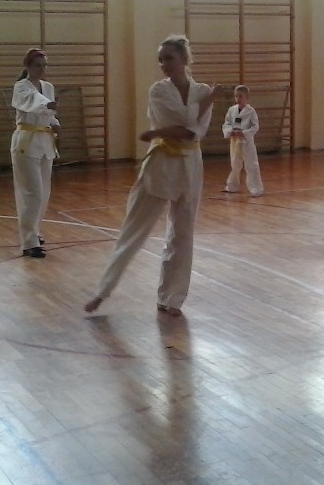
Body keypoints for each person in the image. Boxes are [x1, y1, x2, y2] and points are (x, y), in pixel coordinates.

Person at [85, 36, 224, 316]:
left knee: (182, 235)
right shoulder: (159, 91)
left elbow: (192, 132)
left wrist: (160, 131)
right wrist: (207, 102)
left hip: (190, 165)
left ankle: (171, 298)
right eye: (160, 60)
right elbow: (185, 120)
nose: (163, 65)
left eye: (169, 58)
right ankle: (103, 291)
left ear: (184, 59)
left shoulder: (200, 90)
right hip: (160, 164)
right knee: (134, 230)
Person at [10, 48, 59, 259]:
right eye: (38, 65)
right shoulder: (21, 87)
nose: (42, 69)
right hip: (26, 143)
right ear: (28, 66)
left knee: (44, 192)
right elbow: (31, 101)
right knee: (32, 193)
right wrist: (46, 104)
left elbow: (50, 114)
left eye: (44, 65)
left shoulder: (48, 87)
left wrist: (55, 122)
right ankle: (29, 242)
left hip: (45, 142)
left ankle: (35, 232)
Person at [222, 84, 264, 196]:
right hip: (235, 141)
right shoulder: (232, 110)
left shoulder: (251, 111)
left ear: (247, 97)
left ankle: (256, 188)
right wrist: (230, 131)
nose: (238, 98)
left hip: (247, 142)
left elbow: (255, 127)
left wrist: (243, 132)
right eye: (236, 96)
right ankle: (232, 186)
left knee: (251, 165)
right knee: (235, 164)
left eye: (240, 96)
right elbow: (227, 123)